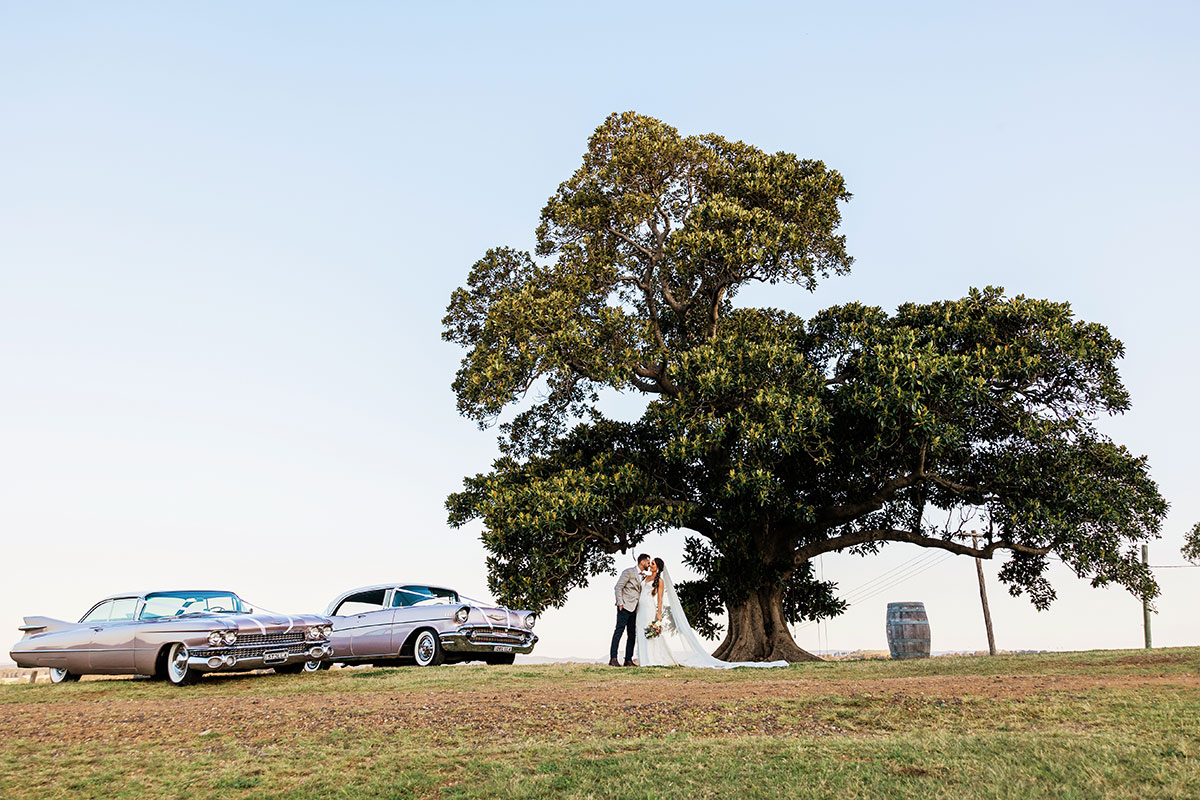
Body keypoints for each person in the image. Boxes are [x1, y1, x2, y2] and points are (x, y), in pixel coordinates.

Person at [636, 557, 788, 669]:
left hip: (650, 607)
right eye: (650, 563)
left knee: (650, 633)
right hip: (640, 608)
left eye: (653, 563)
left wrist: (659, 614)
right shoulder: (645, 577)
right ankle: (643, 658)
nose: (650, 565)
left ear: (658, 567)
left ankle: (652, 658)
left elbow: (660, 599)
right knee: (640, 630)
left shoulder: (659, 581)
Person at [610, 553, 650, 666]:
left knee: (632, 634)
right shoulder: (628, 572)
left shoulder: (644, 576)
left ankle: (628, 659)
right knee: (619, 631)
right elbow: (618, 587)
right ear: (642, 562)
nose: (648, 564)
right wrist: (620, 603)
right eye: (648, 562)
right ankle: (613, 658)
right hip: (625, 606)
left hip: (635, 609)